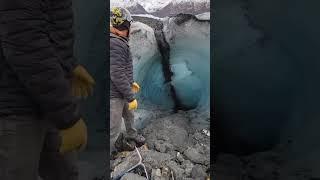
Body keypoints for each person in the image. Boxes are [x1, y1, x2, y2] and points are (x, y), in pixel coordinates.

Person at [0, 0, 95, 179]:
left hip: (48, 103)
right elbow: (26, 47)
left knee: (64, 172)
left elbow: (46, 27)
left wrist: (69, 65)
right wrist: (68, 118)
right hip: (17, 107)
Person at [110, 7, 145, 153]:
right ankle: (109, 153)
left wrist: (131, 84)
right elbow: (116, 73)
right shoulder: (116, 44)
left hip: (122, 90)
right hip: (114, 95)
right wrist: (130, 97)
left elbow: (121, 69)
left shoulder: (119, 41)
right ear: (125, 26)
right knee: (113, 126)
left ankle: (131, 134)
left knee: (129, 115)